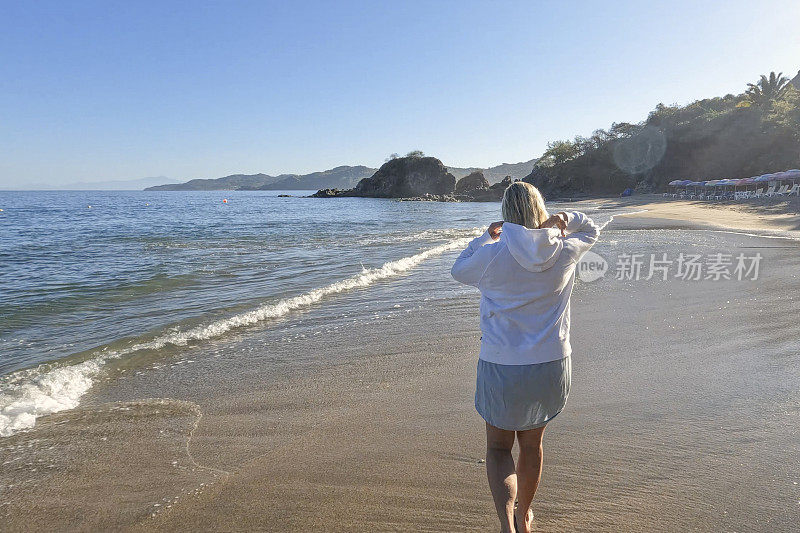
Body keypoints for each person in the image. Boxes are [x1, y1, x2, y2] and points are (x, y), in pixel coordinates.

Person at [451, 182, 599, 533]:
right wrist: (564, 218)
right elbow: (591, 227)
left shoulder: (492, 254)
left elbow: (459, 269)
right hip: (549, 363)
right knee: (532, 446)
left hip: (501, 364)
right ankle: (523, 514)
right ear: (541, 211)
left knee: (499, 449)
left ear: (505, 214)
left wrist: (485, 239)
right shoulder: (565, 250)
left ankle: (506, 525)